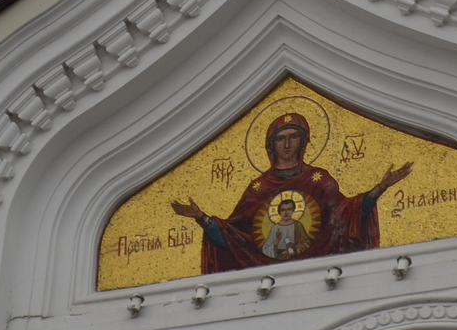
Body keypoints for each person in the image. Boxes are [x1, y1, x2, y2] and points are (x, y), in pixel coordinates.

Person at [172, 112, 413, 273]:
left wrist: (380, 188)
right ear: (271, 145)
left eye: (294, 137)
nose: (287, 145)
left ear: (305, 141)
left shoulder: (319, 181)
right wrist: (201, 217)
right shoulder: (259, 188)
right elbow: (236, 236)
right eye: (281, 139)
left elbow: (346, 214)